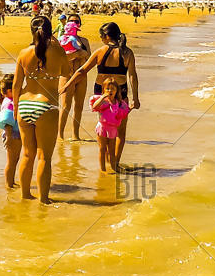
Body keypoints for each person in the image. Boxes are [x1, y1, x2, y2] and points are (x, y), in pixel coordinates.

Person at [10, 14, 71, 203]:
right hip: (46, 105)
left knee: (27, 154)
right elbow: (66, 72)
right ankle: (44, 200)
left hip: (24, 104)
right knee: (44, 157)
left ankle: (25, 195)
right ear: (50, 31)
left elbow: (16, 85)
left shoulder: (24, 53)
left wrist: (16, 109)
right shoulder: (58, 51)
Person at [66, 21, 140, 163]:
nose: (101, 39)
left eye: (101, 36)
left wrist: (68, 84)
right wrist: (135, 98)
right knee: (121, 131)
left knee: (106, 127)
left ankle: (107, 161)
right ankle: (115, 162)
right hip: (121, 92)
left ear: (107, 36)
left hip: (102, 93)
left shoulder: (100, 51)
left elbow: (82, 70)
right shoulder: (127, 52)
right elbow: (132, 75)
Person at [90, 78, 131, 173]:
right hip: (102, 127)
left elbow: (123, 113)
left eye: (113, 89)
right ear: (103, 90)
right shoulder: (103, 101)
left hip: (112, 129)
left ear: (116, 91)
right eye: (107, 89)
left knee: (112, 150)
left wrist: (131, 108)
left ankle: (114, 168)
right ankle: (103, 170)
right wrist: (102, 97)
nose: (110, 91)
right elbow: (94, 106)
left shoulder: (118, 103)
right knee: (102, 149)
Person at [0, 75, 21, 189]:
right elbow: (7, 122)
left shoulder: (10, 100)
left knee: (14, 160)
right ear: (11, 91)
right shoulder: (9, 103)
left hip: (14, 134)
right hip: (12, 135)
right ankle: (9, 185)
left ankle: (11, 182)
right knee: (11, 161)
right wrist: (9, 137)